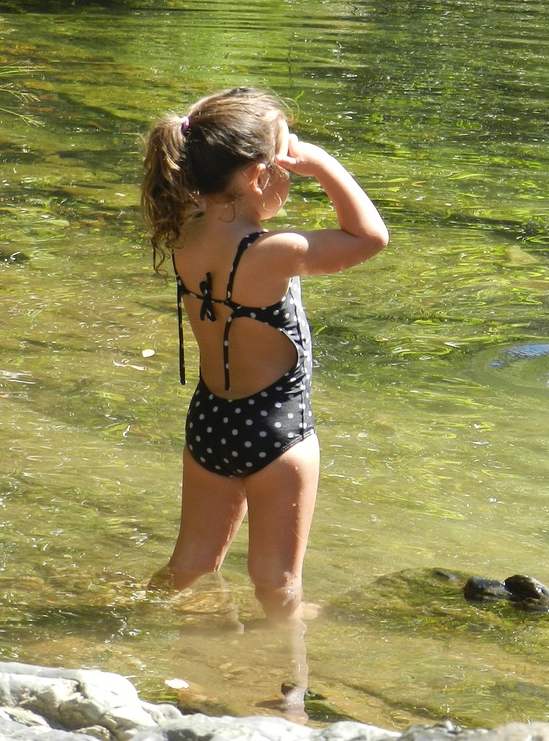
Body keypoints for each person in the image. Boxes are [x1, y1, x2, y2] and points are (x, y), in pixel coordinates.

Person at [140, 86, 388, 624]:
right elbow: (370, 238)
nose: (293, 176)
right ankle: (289, 699)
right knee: (276, 582)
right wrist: (323, 166)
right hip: (276, 430)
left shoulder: (183, 236)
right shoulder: (274, 253)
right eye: (287, 162)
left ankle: (144, 635)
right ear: (257, 175)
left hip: (210, 420)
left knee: (192, 562)